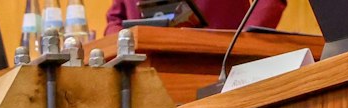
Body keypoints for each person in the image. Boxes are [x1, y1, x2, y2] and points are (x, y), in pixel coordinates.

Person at [102, 0, 286, 35]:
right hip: (146, 73)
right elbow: (115, 20)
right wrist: (123, 41)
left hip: (219, 66)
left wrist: (244, 39)